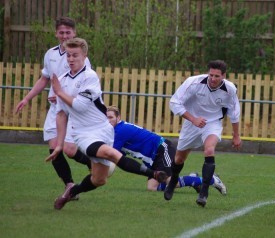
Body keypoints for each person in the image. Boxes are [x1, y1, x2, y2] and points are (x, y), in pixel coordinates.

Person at [46, 38, 167, 210]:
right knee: (110, 153)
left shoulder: (90, 76)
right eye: (68, 55)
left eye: (75, 55)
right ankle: (153, 173)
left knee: (99, 180)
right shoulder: (62, 81)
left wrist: (58, 92)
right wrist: (59, 145)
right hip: (83, 134)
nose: (71, 59)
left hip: (103, 130)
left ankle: (71, 192)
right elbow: (61, 114)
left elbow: (80, 105)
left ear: (84, 56)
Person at [14, 17, 92, 197]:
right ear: (56, 33)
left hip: (71, 110)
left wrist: (64, 96)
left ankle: (93, 162)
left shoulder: (80, 57)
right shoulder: (50, 54)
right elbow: (44, 79)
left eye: (68, 32)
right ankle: (70, 186)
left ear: (74, 33)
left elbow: (84, 84)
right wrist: (27, 98)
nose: (65, 36)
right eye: (61, 32)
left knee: (70, 150)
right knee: (54, 147)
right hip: (55, 110)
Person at [164, 60, 242, 207]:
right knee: (179, 159)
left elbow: (234, 112)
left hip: (212, 123)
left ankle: (204, 193)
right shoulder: (193, 83)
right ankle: (174, 179)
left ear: (224, 76)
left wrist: (236, 135)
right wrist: (193, 119)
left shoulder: (230, 89)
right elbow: (174, 102)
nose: (212, 79)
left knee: (209, 150)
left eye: (217, 76)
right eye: (211, 75)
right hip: (191, 122)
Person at [106, 105, 227, 194]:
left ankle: (210, 179)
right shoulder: (116, 131)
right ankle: (192, 178)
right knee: (152, 187)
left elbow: (112, 155)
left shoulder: (119, 131)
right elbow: (118, 156)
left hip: (162, 149)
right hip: (153, 158)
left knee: (171, 182)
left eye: (111, 117)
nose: (108, 120)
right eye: (106, 118)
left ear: (118, 118)